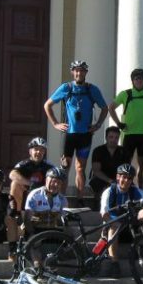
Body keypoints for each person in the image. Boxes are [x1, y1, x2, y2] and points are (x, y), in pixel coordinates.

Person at [43, 60, 108, 196]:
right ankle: (61, 198)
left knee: (80, 168)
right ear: (72, 72)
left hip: (85, 135)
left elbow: (104, 108)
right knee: (64, 168)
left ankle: (80, 199)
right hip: (69, 134)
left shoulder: (92, 89)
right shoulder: (66, 88)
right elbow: (47, 105)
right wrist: (55, 123)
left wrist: (98, 124)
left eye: (82, 71)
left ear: (86, 72)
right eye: (76, 70)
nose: (79, 73)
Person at [108, 68, 143, 186]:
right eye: (136, 79)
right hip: (129, 134)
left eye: (141, 79)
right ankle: (125, 188)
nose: (139, 81)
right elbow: (111, 107)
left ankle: (140, 189)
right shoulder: (125, 94)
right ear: (133, 81)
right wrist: (118, 123)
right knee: (126, 164)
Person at [98, 163, 143, 274]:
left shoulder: (136, 191)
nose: (127, 180)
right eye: (124, 177)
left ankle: (141, 246)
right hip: (114, 227)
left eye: (129, 178)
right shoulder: (109, 192)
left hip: (131, 228)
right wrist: (115, 223)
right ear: (117, 177)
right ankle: (114, 263)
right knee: (113, 227)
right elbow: (104, 214)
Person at [9, 137, 54, 221]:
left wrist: (63, 167)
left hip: (43, 195)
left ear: (44, 152)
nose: (39, 152)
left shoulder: (49, 166)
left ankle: (52, 213)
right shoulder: (24, 164)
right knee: (14, 183)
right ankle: (17, 213)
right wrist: (30, 184)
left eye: (41, 150)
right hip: (27, 192)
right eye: (36, 149)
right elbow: (12, 174)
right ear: (30, 151)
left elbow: (59, 178)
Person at [24, 167, 69, 236]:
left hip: (53, 232)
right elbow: (27, 219)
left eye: (59, 182)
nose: (56, 185)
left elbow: (64, 222)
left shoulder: (62, 199)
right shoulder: (35, 195)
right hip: (36, 232)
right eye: (53, 181)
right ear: (46, 180)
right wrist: (33, 235)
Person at [88, 126, 130, 200]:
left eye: (116, 138)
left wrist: (119, 180)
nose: (113, 140)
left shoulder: (124, 151)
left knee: (129, 183)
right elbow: (96, 171)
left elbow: (127, 169)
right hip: (102, 178)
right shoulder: (98, 151)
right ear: (106, 138)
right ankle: (98, 201)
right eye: (111, 137)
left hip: (119, 178)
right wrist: (110, 181)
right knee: (96, 182)